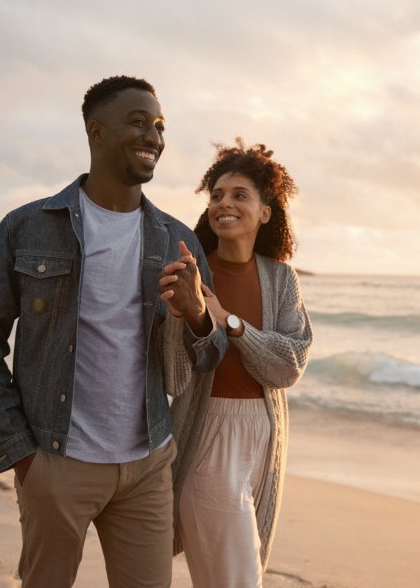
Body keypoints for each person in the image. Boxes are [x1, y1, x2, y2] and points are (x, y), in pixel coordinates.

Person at [0, 75, 227, 588]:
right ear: (96, 132)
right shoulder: (27, 227)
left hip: (147, 464)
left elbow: (209, 356)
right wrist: (22, 454)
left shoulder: (178, 239)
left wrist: (197, 314)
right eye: (139, 123)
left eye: (161, 126)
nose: (155, 137)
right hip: (57, 462)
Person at [159, 138, 313, 588]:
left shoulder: (281, 278)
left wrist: (230, 322)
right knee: (237, 579)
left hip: (265, 438)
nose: (224, 203)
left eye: (239, 195)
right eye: (217, 196)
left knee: (239, 570)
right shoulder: (190, 272)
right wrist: (188, 314)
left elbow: (289, 366)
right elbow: (173, 373)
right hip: (205, 433)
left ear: (266, 212)